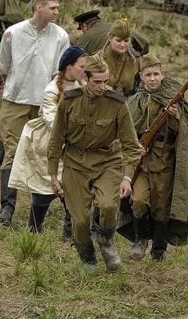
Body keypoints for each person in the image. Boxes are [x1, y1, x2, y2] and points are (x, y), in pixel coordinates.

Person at [0, 0, 70, 227]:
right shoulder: (13, 33)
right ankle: (7, 208)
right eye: (53, 8)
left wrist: (63, 99)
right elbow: (1, 65)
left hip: (45, 104)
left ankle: (40, 206)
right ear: (39, 7)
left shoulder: (60, 36)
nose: (57, 12)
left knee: (43, 153)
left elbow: (62, 73)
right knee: (12, 151)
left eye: (57, 7)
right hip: (15, 100)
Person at [47, 54, 141, 273]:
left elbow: (131, 145)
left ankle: (107, 242)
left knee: (108, 205)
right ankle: (88, 257)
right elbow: (56, 140)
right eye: (96, 81)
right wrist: (53, 175)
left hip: (107, 161)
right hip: (74, 163)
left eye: (104, 81)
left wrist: (127, 177)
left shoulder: (117, 103)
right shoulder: (69, 101)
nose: (101, 86)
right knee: (79, 221)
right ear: (85, 78)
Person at [117, 55, 188, 262]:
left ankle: (158, 250)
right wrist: (135, 147)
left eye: (156, 74)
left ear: (162, 75)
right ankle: (141, 239)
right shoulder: (135, 101)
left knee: (162, 207)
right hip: (141, 162)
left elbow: (183, 131)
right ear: (141, 77)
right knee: (138, 199)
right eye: (148, 75)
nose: (152, 79)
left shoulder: (173, 97)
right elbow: (127, 131)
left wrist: (174, 117)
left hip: (165, 161)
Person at [8, 46, 88, 239]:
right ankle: (34, 228)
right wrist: (74, 133)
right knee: (46, 189)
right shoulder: (52, 90)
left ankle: (70, 233)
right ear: (69, 66)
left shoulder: (81, 86)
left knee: (72, 188)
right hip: (52, 143)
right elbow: (51, 120)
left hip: (73, 143)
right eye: (82, 66)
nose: (85, 70)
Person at [92, 18, 139, 97]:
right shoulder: (97, 60)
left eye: (126, 41)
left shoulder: (133, 61)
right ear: (110, 39)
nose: (123, 44)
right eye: (118, 40)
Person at [73, 10, 149, 56]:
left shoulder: (83, 39)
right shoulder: (118, 27)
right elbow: (144, 43)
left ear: (84, 26)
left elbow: (78, 60)